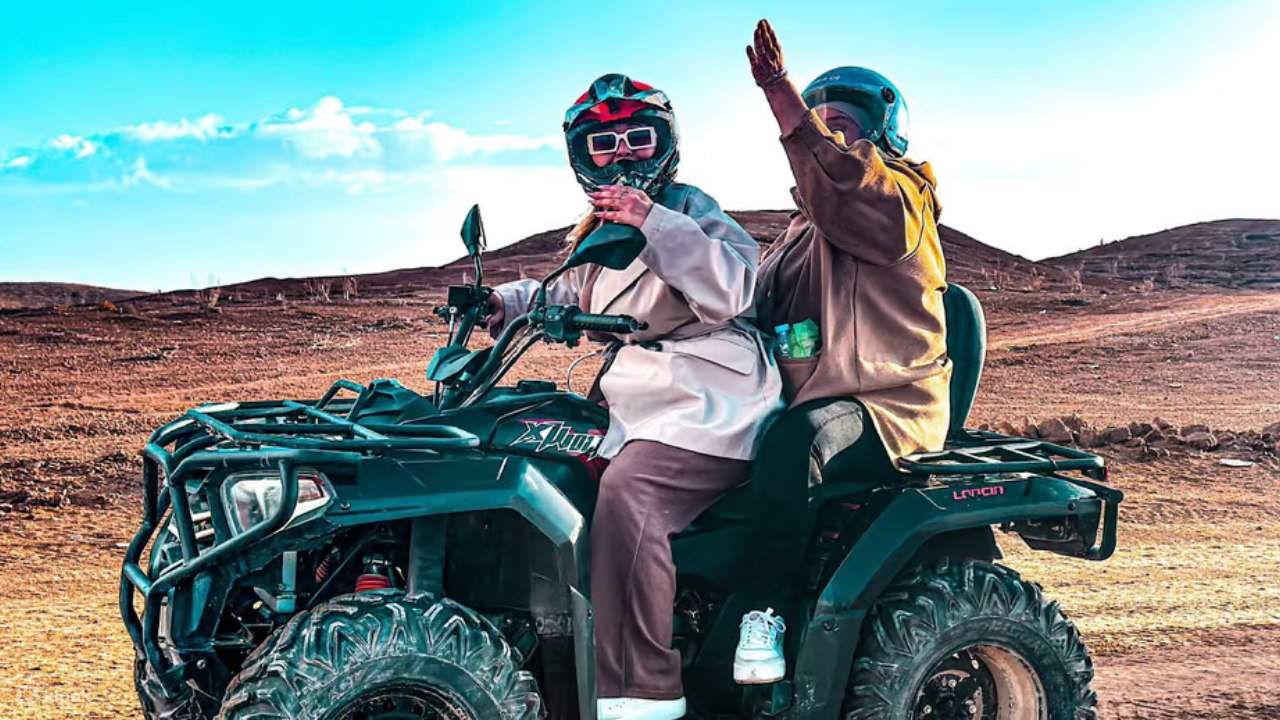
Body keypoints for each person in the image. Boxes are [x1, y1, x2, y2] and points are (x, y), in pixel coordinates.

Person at [486, 73, 783, 720]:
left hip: (709, 402)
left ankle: (639, 695)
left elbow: (734, 286)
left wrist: (655, 221)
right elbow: (573, 293)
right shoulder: (601, 229)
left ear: (665, 146)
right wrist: (504, 303)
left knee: (632, 496)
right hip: (642, 403)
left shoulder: (691, 210)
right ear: (580, 158)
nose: (623, 156)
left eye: (638, 139)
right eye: (604, 145)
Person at [731, 20, 951, 684]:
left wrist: (781, 95)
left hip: (884, 402)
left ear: (881, 137)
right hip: (812, 388)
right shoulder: (800, 231)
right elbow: (747, 303)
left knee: (795, 443)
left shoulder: (900, 198)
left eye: (840, 127)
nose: (825, 137)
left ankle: (763, 613)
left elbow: (847, 185)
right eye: (818, 125)